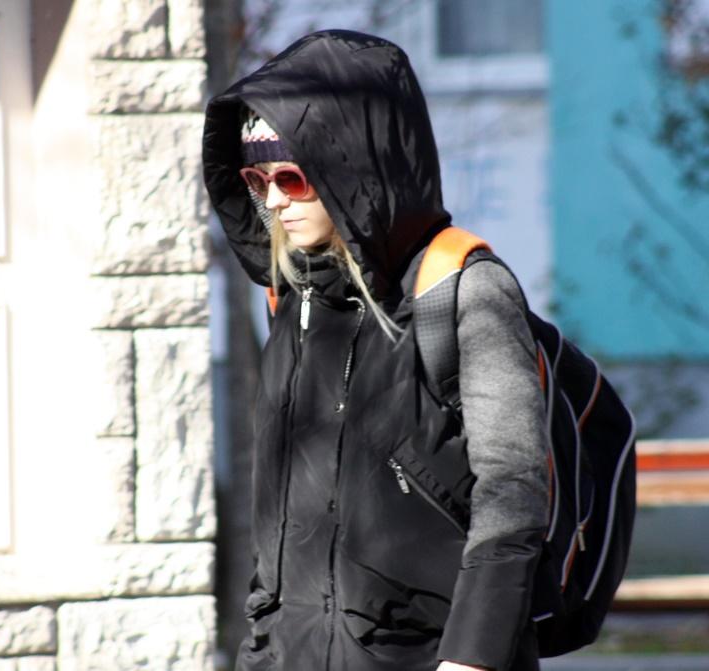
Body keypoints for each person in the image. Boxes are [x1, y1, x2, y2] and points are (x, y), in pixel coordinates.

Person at [202, 30, 550, 671]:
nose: (273, 201)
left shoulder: (462, 289)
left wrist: (473, 657)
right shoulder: (294, 297)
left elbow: (514, 489)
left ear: (348, 169)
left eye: (292, 178)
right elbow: (279, 520)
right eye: (258, 179)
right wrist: (261, 647)